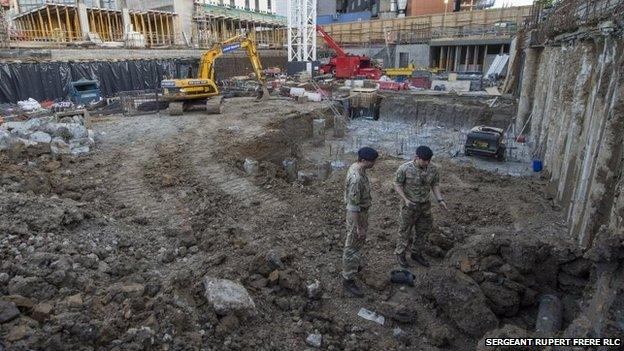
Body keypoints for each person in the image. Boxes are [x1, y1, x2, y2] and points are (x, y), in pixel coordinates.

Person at [394, 146, 448, 268]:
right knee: (405, 231)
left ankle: (416, 253)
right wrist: (405, 199)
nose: (427, 163)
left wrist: (440, 200)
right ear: (416, 157)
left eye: (429, 160)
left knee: (423, 230)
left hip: (425, 206)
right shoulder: (405, 168)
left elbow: (435, 184)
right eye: (424, 160)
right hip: (409, 206)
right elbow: (397, 184)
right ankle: (400, 254)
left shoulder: (433, 169)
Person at [342, 146, 379, 297]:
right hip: (357, 215)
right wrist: (359, 227)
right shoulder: (356, 179)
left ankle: (353, 266)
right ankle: (348, 279)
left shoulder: (357, 167)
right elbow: (353, 207)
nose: (373, 164)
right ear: (363, 160)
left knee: (355, 244)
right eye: (372, 162)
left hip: (360, 213)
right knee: (352, 246)